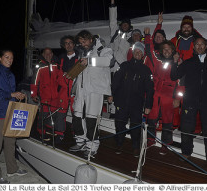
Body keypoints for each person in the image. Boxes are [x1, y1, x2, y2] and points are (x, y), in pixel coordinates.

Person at [170, 37, 207, 171]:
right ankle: (186, 152)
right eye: (197, 45)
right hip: (190, 101)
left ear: (206, 46)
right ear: (193, 47)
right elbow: (174, 76)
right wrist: (174, 62)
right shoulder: (188, 63)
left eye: (202, 44)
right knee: (187, 128)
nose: (199, 47)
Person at [0, 49, 27, 184]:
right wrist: (11, 95)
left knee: (10, 143)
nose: (9, 60)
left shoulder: (11, 75)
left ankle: (12, 169)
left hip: (9, 113)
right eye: (6, 57)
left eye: (12, 58)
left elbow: (10, 94)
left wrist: (18, 95)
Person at [69, 30, 113, 158]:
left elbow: (109, 61)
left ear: (90, 39)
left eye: (84, 41)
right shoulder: (81, 53)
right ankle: (80, 141)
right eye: (81, 42)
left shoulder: (103, 49)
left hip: (95, 91)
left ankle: (92, 147)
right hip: (81, 91)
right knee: (77, 117)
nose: (83, 44)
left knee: (91, 119)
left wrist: (89, 61)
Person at [109, 42, 154, 157]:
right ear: (133, 53)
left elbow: (150, 89)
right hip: (121, 102)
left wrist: (148, 105)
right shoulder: (124, 65)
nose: (138, 53)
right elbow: (115, 81)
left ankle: (135, 146)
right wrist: (111, 94)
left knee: (136, 126)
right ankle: (119, 143)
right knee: (119, 125)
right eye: (136, 51)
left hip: (137, 104)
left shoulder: (146, 70)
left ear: (143, 55)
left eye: (140, 52)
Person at [144, 38, 182, 155]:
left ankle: (165, 144)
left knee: (167, 122)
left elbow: (181, 84)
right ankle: (150, 140)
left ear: (172, 51)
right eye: (164, 49)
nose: (166, 51)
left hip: (168, 97)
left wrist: (178, 99)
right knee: (151, 119)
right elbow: (149, 50)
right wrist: (147, 36)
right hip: (155, 96)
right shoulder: (157, 62)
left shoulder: (178, 64)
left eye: (168, 49)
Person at [30, 48, 66, 143]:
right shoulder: (40, 66)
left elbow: (61, 79)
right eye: (46, 53)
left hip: (55, 96)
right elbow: (34, 82)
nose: (48, 55)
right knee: (43, 116)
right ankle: (41, 132)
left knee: (53, 115)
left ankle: (49, 130)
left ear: (52, 54)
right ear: (43, 54)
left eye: (49, 53)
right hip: (44, 96)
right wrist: (33, 94)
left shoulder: (56, 65)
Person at [56, 35, 79, 138]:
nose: (69, 45)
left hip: (76, 89)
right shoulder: (60, 58)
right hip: (63, 90)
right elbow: (57, 74)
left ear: (74, 44)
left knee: (76, 112)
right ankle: (59, 134)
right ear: (63, 45)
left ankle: (76, 134)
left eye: (70, 42)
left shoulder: (80, 56)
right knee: (61, 112)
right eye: (66, 43)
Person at [109, 0, 133, 73]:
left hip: (123, 67)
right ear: (121, 25)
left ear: (129, 26)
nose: (125, 25)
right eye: (123, 23)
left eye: (127, 24)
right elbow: (112, 19)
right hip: (111, 66)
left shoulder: (132, 36)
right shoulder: (115, 31)